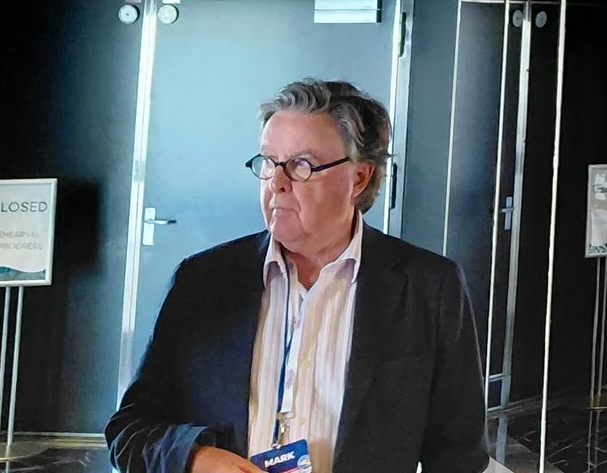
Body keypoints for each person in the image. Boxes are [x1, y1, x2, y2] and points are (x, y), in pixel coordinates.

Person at [105, 78, 490, 473]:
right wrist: (195, 457)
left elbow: (459, 454)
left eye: (301, 166)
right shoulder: (204, 281)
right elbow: (130, 430)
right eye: (269, 162)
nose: (277, 183)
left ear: (359, 178)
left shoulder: (428, 286)